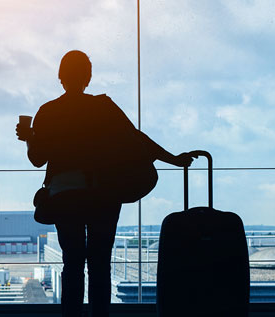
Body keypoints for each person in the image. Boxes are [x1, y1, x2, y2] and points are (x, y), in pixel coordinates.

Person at [16, 50, 194, 317]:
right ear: (88, 77)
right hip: (103, 194)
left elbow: (36, 159)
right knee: (100, 265)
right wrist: (173, 159)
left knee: (73, 264)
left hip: (65, 196)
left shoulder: (48, 111)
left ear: (60, 77)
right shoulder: (103, 107)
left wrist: (29, 136)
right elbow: (138, 140)